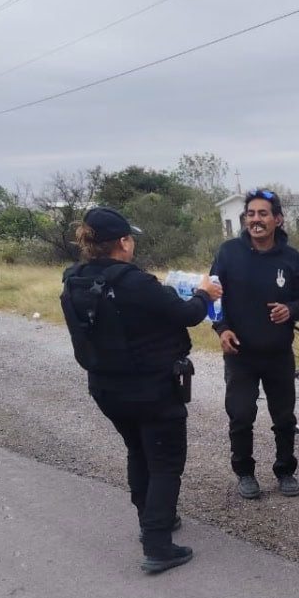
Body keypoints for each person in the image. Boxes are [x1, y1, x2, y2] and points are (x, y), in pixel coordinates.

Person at [61, 206, 221, 574]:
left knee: (138, 451)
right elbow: (187, 315)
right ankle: (158, 544)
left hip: (106, 389)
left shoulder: (75, 280)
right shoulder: (136, 283)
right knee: (165, 463)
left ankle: (151, 518)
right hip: (152, 390)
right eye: (129, 238)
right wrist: (204, 293)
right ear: (123, 242)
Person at [209, 190, 299, 499]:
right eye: (251, 214)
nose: (256, 219)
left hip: (278, 354)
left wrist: (290, 310)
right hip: (239, 354)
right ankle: (244, 472)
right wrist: (222, 329)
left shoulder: (291, 258)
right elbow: (211, 296)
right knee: (241, 416)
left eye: (263, 214)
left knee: (284, 418)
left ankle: (285, 471)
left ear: (277, 220)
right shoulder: (228, 253)